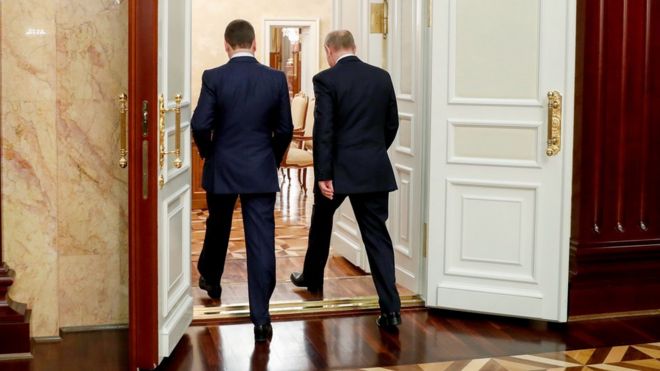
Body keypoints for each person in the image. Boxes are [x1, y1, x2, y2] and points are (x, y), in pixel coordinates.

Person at [290, 30, 402, 328]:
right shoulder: (381, 77)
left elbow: (324, 129)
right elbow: (392, 123)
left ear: (329, 50)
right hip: (374, 169)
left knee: (321, 221)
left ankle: (311, 277)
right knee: (377, 237)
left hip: (337, 172)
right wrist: (374, 153)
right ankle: (390, 309)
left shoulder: (326, 79)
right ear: (355, 47)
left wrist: (324, 174)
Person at [191, 19, 293, 342]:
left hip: (223, 167)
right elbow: (286, 129)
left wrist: (210, 152)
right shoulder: (275, 79)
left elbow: (199, 125)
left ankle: (211, 278)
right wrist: (272, 156)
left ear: (226, 44)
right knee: (261, 240)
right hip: (260, 169)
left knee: (218, 225)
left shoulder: (214, 77)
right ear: (254, 44)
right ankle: (262, 319)